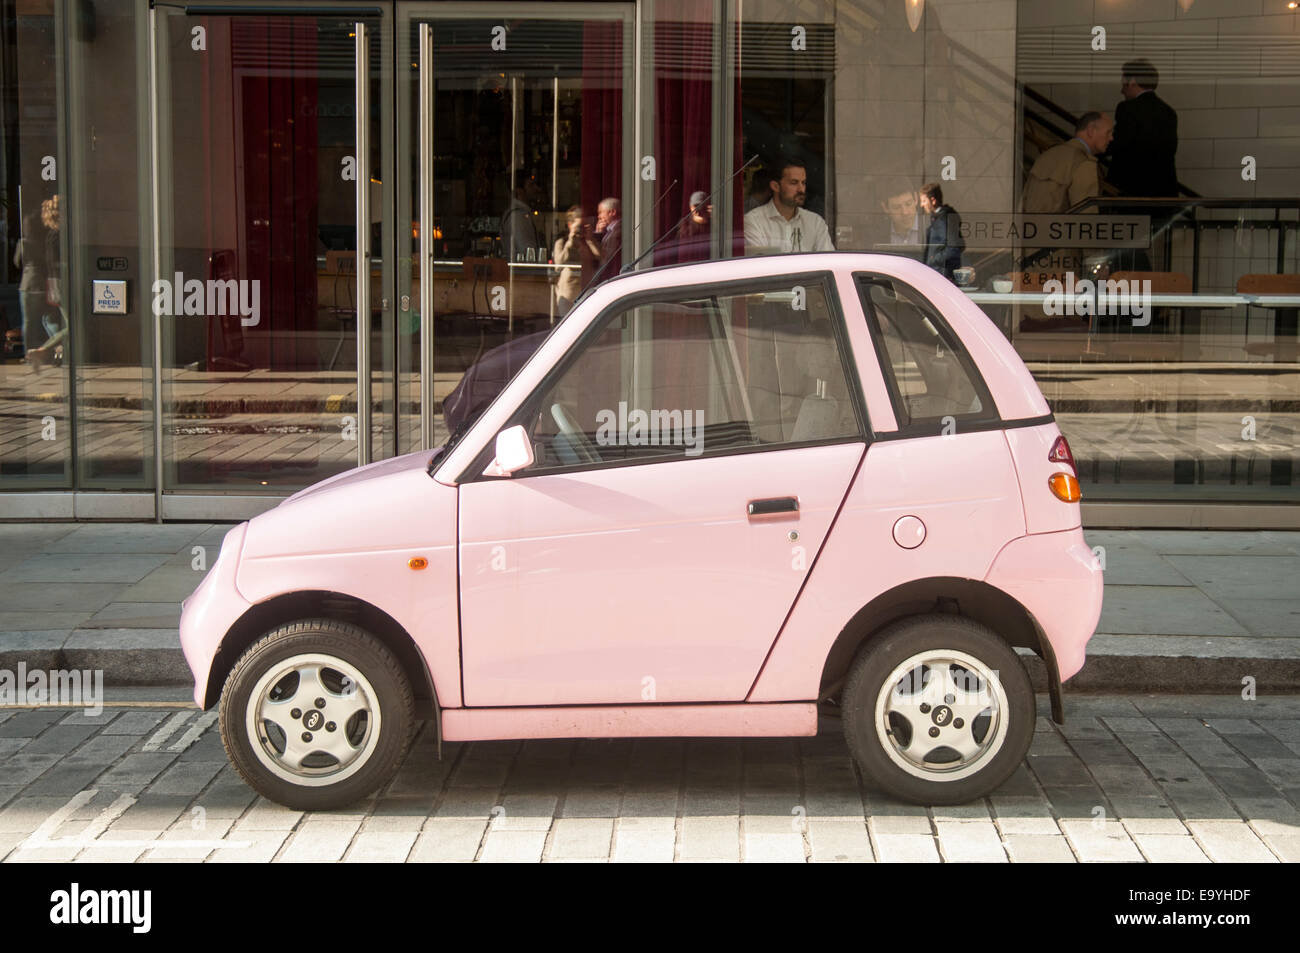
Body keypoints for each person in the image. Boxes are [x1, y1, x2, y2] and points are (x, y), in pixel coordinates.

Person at [1109, 59, 1178, 198]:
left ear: (1133, 81)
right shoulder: (1169, 111)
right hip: (1164, 189)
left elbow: (1119, 144)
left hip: (1132, 189)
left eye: (1124, 84)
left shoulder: (1127, 108)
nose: (1122, 90)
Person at [1021, 111, 1114, 214]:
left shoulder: (1046, 155)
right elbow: (1086, 218)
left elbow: (1024, 201)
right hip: (1060, 229)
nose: (1111, 138)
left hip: (1032, 227)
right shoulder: (1084, 163)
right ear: (1091, 131)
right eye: (1108, 132)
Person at [743, 160, 834, 254]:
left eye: (803, 183)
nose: (801, 189)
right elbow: (759, 265)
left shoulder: (815, 222)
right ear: (775, 186)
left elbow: (828, 262)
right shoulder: (754, 221)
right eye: (794, 183)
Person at [13, 211, 47, 364]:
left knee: (28, 321)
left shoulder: (23, 242)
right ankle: (42, 351)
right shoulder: (43, 242)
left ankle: (29, 353)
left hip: (27, 284)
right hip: (41, 283)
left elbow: (17, 262)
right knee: (42, 319)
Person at [552, 205, 599, 315]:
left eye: (584, 226)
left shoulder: (590, 241)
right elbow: (558, 265)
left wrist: (590, 239)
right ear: (570, 225)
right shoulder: (562, 242)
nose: (580, 230)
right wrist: (570, 242)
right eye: (578, 226)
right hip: (568, 292)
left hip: (588, 290)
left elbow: (602, 259)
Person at [919, 182, 964, 282]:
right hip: (937, 274)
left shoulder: (945, 219)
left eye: (924, 201)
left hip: (943, 276)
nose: (921, 205)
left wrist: (933, 259)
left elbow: (954, 248)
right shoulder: (938, 218)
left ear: (933, 200)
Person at [500, 172, 544, 262]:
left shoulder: (521, 214)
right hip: (521, 272)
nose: (536, 188)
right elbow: (526, 251)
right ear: (519, 191)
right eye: (531, 185)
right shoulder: (518, 216)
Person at [593, 197, 621, 281]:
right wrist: (599, 233)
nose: (599, 216)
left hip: (611, 278)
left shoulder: (618, 232)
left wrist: (597, 235)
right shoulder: (610, 230)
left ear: (612, 212)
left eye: (601, 212)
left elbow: (604, 257)